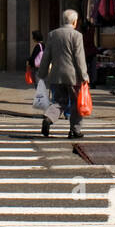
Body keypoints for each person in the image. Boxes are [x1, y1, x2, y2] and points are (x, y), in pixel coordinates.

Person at [38, 9, 89, 140]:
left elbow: (46, 56)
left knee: (60, 101)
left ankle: (49, 118)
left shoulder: (52, 34)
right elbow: (79, 58)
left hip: (56, 75)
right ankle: (74, 130)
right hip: (73, 77)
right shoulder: (77, 36)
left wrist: (42, 73)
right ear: (74, 21)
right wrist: (84, 76)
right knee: (77, 103)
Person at [82, 22, 98, 88]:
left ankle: (88, 82)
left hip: (86, 53)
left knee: (87, 69)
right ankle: (93, 82)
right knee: (93, 68)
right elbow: (93, 28)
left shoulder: (82, 35)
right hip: (92, 53)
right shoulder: (91, 33)